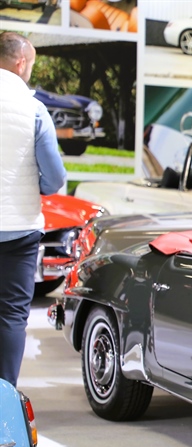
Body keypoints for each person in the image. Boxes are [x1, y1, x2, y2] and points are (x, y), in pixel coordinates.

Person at [0, 32, 66, 387]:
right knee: (11, 315)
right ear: (21, 62)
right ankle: (4, 399)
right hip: (19, 230)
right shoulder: (34, 108)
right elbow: (54, 179)